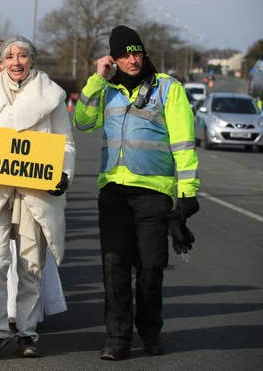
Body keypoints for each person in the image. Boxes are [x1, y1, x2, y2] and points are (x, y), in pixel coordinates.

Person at [74, 25, 200, 360]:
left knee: (150, 268)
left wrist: (187, 191)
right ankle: (117, 338)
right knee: (113, 268)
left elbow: (184, 143)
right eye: (124, 54)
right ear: (113, 58)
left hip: (153, 193)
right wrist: (96, 79)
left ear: (144, 53)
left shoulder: (167, 89)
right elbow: (83, 121)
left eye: (137, 52)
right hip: (113, 191)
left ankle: (150, 331)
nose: (132, 59)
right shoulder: (107, 89)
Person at [0, 36, 76, 359]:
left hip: (34, 191)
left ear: (32, 60)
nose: (16, 62)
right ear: (0, 61)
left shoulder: (50, 95)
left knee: (31, 264)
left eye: (23, 55)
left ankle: (27, 332)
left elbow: (65, 143)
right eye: (10, 56)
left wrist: (62, 175)